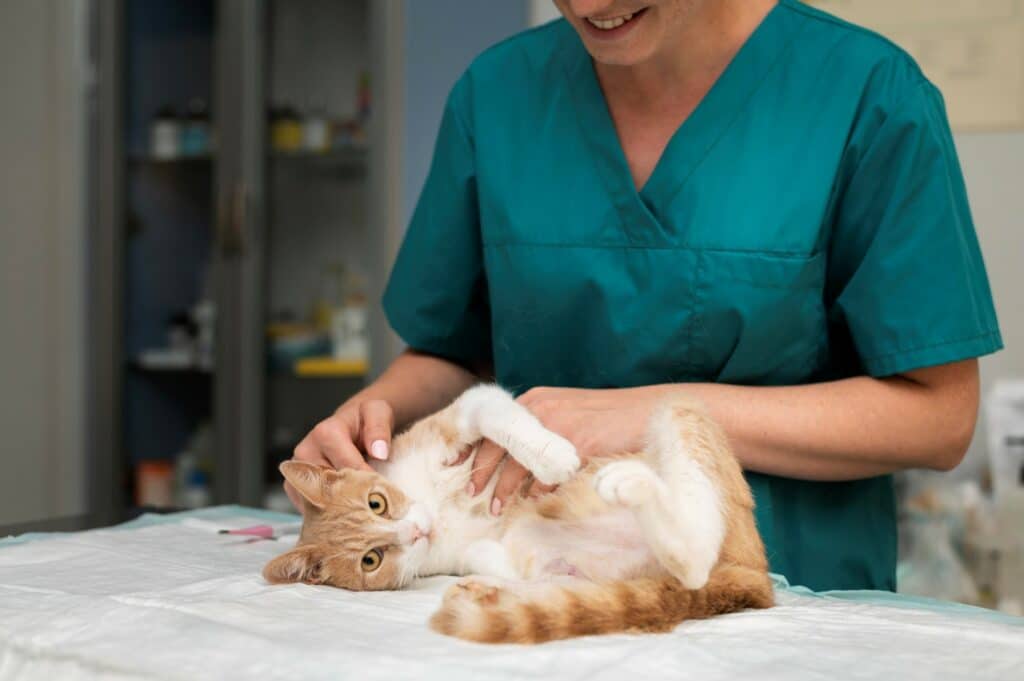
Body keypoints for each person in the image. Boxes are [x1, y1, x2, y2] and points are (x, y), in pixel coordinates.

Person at [290, 0, 1002, 592]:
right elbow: (452, 348)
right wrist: (370, 421)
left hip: (774, 600)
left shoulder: (867, 98)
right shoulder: (496, 95)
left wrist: (652, 414)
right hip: (531, 590)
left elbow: (940, 416)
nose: (592, 6)